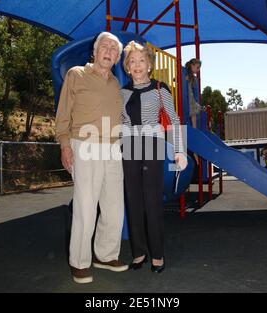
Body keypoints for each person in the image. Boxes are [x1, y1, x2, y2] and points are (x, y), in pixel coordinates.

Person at [55, 32, 129, 284]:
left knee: (114, 207)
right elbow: (63, 114)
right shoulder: (76, 74)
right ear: (95, 51)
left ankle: (106, 255)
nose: (109, 51)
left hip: (112, 148)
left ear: (117, 58)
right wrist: (65, 145)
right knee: (86, 208)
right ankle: (79, 261)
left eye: (114, 49)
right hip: (84, 144)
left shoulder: (115, 84)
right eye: (104, 46)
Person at [120, 41, 187, 273]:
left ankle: (157, 254)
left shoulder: (160, 88)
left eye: (141, 60)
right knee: (133, 202)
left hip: (152, 148)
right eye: (132, 61)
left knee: (152, 202)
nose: (137, 65)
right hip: (129, 148)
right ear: (127, 67)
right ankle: (139, 253)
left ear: (149, 64)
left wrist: (179, 150)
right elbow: (119, 125)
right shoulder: (123, 93)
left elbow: (175, 120)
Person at [185, 58, 202, 128]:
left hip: (189, 96)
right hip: (188, 97)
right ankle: (194, 128)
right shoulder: (187, 74)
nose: (198, 70)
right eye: (197, 67)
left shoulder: (191, 76)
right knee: (194, 113)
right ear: (192, 65)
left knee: (194, 112)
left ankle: (194, 128)